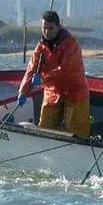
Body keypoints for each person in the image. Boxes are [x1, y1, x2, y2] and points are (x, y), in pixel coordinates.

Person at [17, 10, 90, 138]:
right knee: (45, 128)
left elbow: (64, 70)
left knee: (76, 132)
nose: (46, 32)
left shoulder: (71, 44)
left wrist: (43, 79)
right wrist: (22, 91)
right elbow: (31, 69)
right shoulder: (41, 46)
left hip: (74, 92)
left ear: (58, 27)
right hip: (52, 92)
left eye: (50, 28)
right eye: (44, 28)